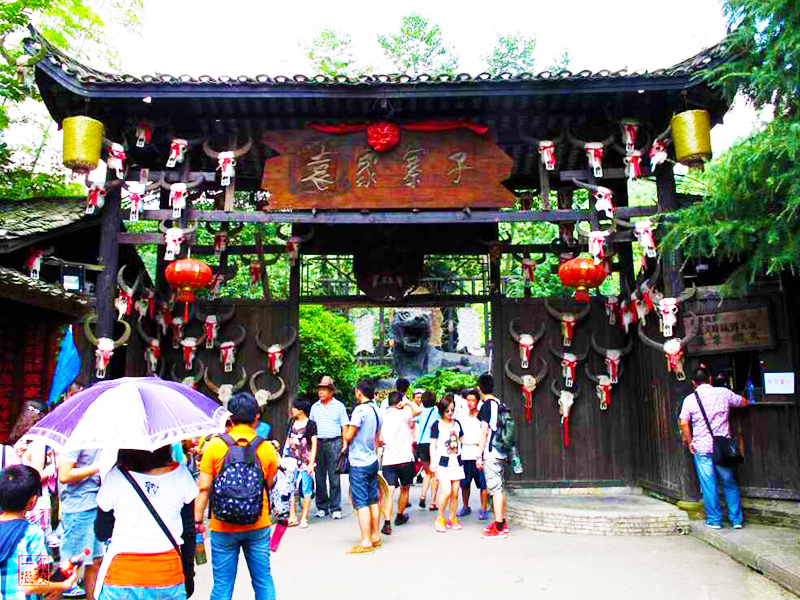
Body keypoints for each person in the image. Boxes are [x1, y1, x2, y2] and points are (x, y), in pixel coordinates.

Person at [196, 393, 280, 600]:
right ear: (256, 418)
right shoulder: (266, 447)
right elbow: (269, 484)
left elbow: (204, 487)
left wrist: (197, 520)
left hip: (222, 525)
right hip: (258, 523)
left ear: (230, 419)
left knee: (222, 585)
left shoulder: (215, 446)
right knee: (263, 581)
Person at [93, 446, 197, 599]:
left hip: (121, 577)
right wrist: (188, 574)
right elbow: (188, 532)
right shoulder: (182, 475)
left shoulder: (115, 477)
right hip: (168, 575)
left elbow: (102, 532)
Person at [679, 365, 749, 529]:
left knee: (708, 485)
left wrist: (690, 442)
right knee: (729, 483)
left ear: (693, 383)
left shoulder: (690, 399)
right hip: (722, 447)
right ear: (710, 379)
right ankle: (736, 520)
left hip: (702, 448)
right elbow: (743, 402)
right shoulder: (723, 393)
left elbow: (683, 422)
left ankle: (714, 520)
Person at [0, 465, 78, 599]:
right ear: (33, 501)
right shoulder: (31, 534)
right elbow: (31, 585)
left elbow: (40, 575)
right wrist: (64, 585)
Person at [58, 446, 104, 599]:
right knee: (71, 565)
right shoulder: (76, 438)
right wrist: (99, 466)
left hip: (95, 504)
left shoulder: (100, 435)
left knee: (95, 560)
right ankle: (54, 593)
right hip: (78, 508)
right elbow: (64, 475)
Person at [343, 380, 382, 554]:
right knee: (373, 499)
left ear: (359, 392)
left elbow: (349, 435)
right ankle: (375, 536)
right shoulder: (377, 410)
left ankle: (366, 542)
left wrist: (344, 429)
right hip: (372, 459)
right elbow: (377, 437)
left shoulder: (360, 410)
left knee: (361, 503)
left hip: (359, 461)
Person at [379, 390, 421, 535]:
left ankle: (386, 522)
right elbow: (418, 410)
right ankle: (399, 515)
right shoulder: (405, 413)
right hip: (405, 459)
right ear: (399, 403)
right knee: (405, 488)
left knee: (389, 492)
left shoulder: (382, 416)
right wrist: (408, 402)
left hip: (389, 460)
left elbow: (378, 439)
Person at [308, 376, 349, 520]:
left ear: (331, 392)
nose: (321, 392)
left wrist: (345, 444)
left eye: (324, 390)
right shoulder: (315, 407)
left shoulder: (339, 406)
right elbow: (311, 428)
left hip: (335, 442)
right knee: (319, 476)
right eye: (320, 390)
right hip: (318, 443)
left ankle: (335, 507)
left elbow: (344, 426)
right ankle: (322, 507)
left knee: (334, 476)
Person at [476, 373, 508, 539]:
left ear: (479, 389)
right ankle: (501, 521)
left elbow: (484, 431)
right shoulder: (499, 403)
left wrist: (478, 455)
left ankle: (499, 527)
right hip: (501, 450)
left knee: (494, 490)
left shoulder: (486, 406)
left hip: (491, 451)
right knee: (500, 487)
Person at [430, 394, 465, 533]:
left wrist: (479, 443)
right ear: (441, 411)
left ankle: (452, 518)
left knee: (455, 493)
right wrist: (433, 462)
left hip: (457, 461)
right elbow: (432, 444)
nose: (450, 413)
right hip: (442, 462)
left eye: (452, 410)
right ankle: (440, 518)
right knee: (447, 491)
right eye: (447, 411)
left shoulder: (457, 424)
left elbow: (463, 440)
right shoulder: (436, 424)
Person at [283, 398, 318, 529]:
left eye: (295, 408)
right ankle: (292, 515)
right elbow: (287, 440)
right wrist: (284, 457)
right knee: (290, 487)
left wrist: (311, 463)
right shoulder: (291, 422)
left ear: (301, 411)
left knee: (306, 488)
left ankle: (305, 516)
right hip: (291, 459)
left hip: (305, 460)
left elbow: (314, 444)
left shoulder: (311, 424)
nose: (292, 410)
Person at [457, 389, 490, 520]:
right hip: (465, 456)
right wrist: (473, 442)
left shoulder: (482, 418)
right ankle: (465, 506)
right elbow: (459, 436)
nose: (470, 403)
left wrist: (479, 448)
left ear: (477, 402)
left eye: (473, 400)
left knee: (483, 484)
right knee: (464, 485)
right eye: (468, 400)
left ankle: (483, 509)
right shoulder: (461, 418)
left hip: (479, 456)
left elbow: (486, 435)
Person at [414, 391, 439, 510]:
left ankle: (423, 495)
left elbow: (415, 420)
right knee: (435, 474)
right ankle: (432, 502)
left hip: (421, 445)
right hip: (433, 444)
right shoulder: (437, 412)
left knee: (427, 472)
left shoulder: (421, 412)